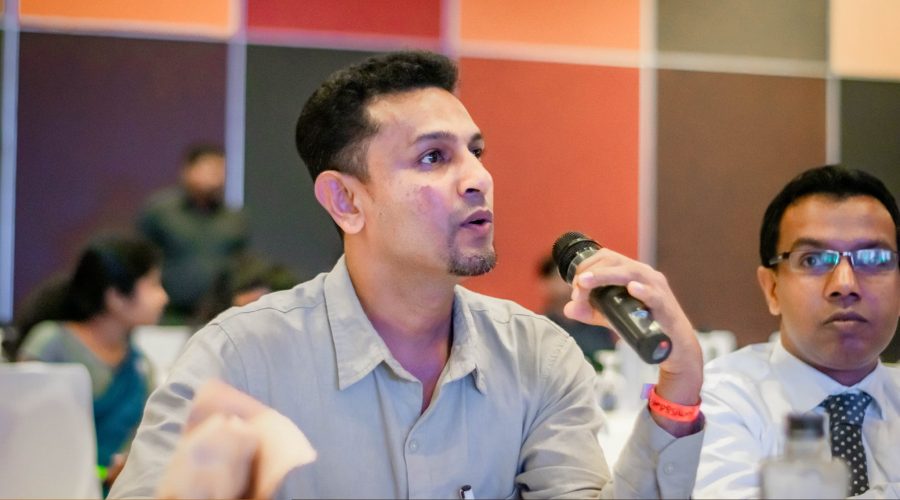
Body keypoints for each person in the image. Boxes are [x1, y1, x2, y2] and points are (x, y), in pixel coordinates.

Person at [110, 50, 705, 499]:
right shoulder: (246, 361)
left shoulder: (537, 358)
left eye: (476, 152)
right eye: (433, 157)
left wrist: (677, 388)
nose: (478, 178)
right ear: (345, 201)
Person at [694, 165, 900, 498]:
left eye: (874, 258)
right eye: (813, 260)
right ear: (772, 288)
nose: (845, 284)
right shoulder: (720, 400)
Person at [15, 234, 169, 490]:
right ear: (115, 296)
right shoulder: (51, 345)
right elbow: (21, 433)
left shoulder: (142, 367)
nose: (164, 297)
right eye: (153, 285)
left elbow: (142, 445)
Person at [137, 143, 249, 325]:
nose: (216, 176)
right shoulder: (160, 212)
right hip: (169, 313)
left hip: (219, 315)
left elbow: (242, 265)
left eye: (221, 170)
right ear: (188, 171)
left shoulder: (234, 219)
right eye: (209, 168)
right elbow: (141, 261)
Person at [538, 254, 617, 367]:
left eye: (572, 275)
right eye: (560, 276)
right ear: (545, 283)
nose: (568, 283)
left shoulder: (597, 322)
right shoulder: (540, 326)